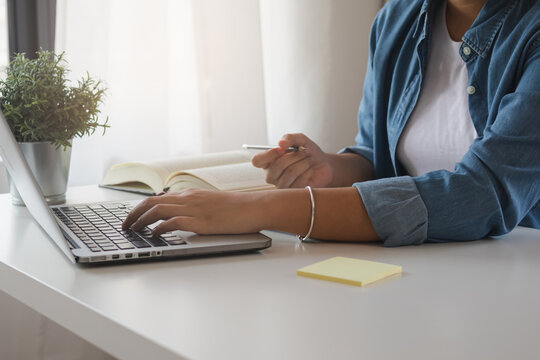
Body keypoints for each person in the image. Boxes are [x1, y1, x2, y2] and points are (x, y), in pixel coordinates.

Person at [123, 0, 540, 247]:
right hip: (425, 271)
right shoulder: (399, 16)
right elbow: (377, 157)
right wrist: (330, 169)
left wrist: (255, 208)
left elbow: (482, 194)